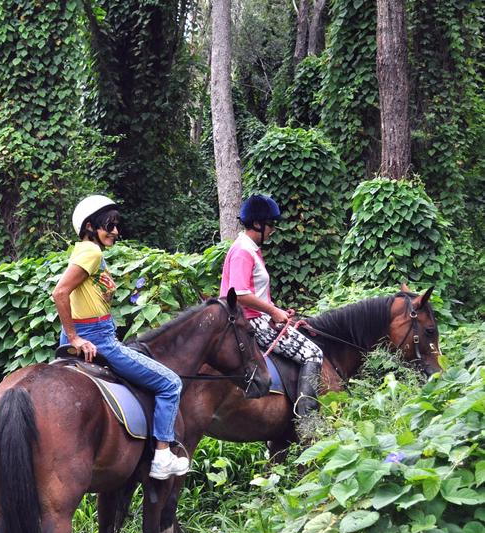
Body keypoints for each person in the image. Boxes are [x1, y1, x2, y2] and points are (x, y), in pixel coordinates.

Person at [52, 194, 189, 481]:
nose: (115, 232)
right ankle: (163, 455)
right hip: (99, 338)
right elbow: (60, 293)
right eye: (108, 226)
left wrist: (107, 294)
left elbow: (80, 297)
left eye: (116, 226)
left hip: (82, 333)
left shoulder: (82, 250)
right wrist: (77, 338)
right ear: (89, 226)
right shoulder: (93, 253)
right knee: (170, 383)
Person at [219, 193, 323, 439]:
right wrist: (272, 312)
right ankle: (307, 424)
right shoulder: (244, 250)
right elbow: (240, 293)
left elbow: (255, 292)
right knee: (314, 353)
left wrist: (277, 311)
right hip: (253, 322)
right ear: (258, 224)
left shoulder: (250, 249)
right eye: (271, 224)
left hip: (261, 317)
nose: (273, 230)